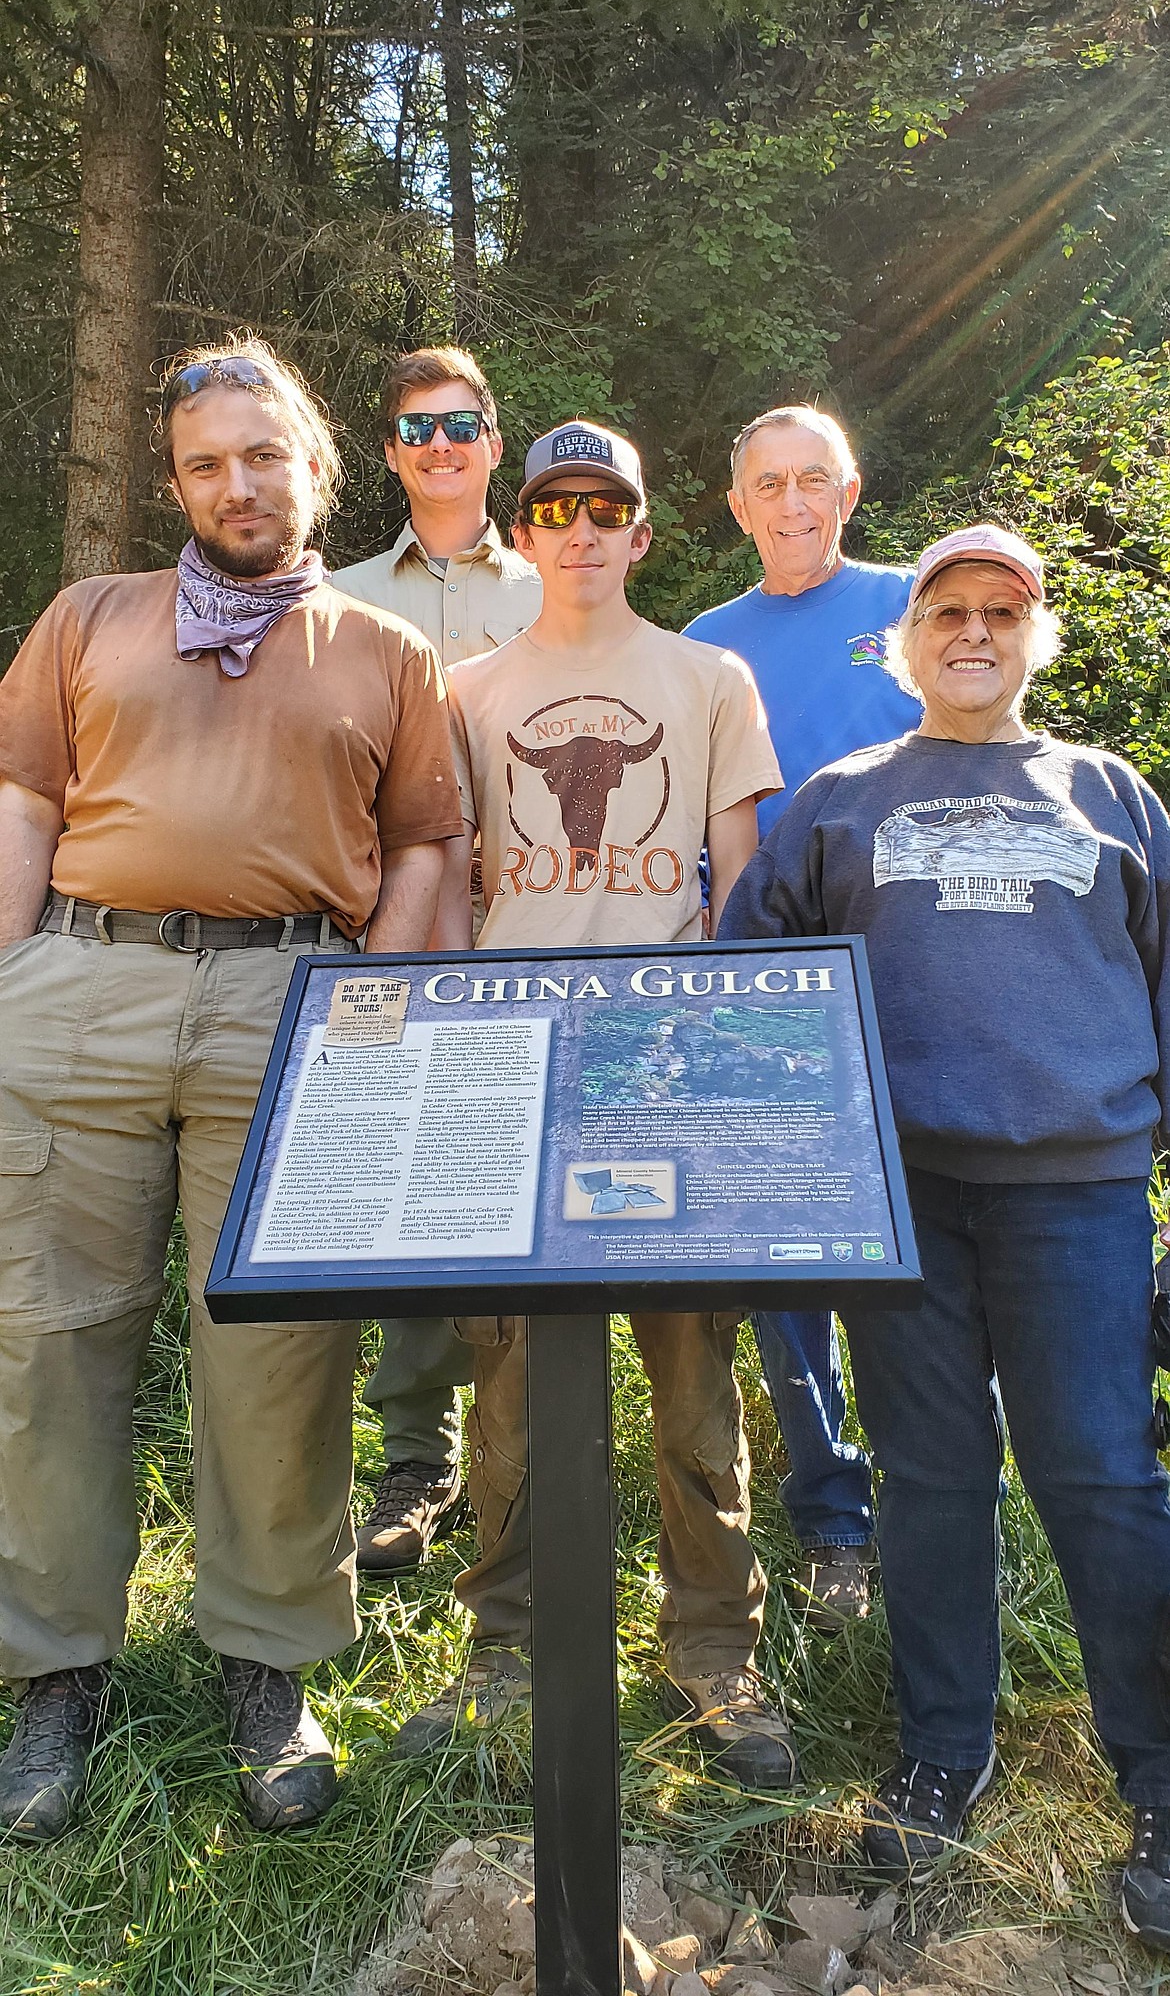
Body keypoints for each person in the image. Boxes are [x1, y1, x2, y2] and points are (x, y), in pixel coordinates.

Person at [0, 340, 462, 1841]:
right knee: (47, 1341)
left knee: (274, 1348)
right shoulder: (89, 619)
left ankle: (268, 1660)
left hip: (289, 1002)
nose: (237, 484)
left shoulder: (386, 652)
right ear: (177, 482)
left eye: (262, 455)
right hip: (85, 985)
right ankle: (56, 1672)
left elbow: (422, 853)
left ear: (312, 465)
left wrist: (375, 1021)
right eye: (207, 462)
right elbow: (22, 805)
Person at [721, 521, 1170, 1947]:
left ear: (1036, 636)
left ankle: (1156, 1774)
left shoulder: (1113, 795)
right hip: (895, 1198)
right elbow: (749, 979)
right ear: (902, 641)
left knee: (1101, 1479)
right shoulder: (838, 800)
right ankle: (941, 1754)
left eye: (1001, 610)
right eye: (944, 611)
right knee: (927, 1480)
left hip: (1079, 1192)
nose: (971, 632)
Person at [394, 419, 797, 1789]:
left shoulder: (707, 677)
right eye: (553, 508)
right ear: (526, 532)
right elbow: (444, 880)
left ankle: (715, 1655)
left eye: (602, 508)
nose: (577, 530)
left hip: (664, 1059)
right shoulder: (465, 690)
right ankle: (506, 1645)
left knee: (690, 1377)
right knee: (505, 1375)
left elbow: (737, 877)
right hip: (514, 1062)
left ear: (638, 533)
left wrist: (723, 1051)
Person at [686, 405, 921, 1629]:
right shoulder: (705, 642)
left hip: (919, 971)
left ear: (850, 486)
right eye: (768, 483)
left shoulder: (917, 607)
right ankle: (834, 1521)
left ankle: (938, 1496)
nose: (792, 502)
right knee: (791, 1260)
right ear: (737, 505)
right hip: (766, 983)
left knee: (918, 1245)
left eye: (813, 479)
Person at [335, 347, 541, 1581]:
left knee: (511, 1187)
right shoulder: (342, 597)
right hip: (385, 928)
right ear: (394, 451)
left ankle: (531, 1448)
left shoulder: (564, 578)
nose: (441, 443)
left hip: (528, 931)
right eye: (418, 428)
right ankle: (415, 1460)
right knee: (400, 1189)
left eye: (461, 423)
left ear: (493, 439)